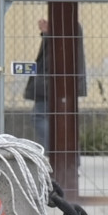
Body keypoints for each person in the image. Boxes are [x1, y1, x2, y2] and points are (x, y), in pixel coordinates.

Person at [23, 16, 86, 156]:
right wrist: (48, 32)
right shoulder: (66, 23)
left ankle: (55, 154)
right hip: (57, 82)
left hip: (55, 82)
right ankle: (64, 156)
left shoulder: (67, 23)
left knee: (40, 116)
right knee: (60, 119)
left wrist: (49, 32)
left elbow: (61, 51)